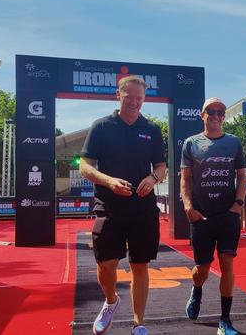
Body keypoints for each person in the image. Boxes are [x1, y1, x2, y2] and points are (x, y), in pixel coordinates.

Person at [80, 75, 167, 335]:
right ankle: (110, 301)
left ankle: (139, 323)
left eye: (139, 98)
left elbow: (161, 167)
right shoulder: (101, 127)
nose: (134, 103)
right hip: (109, 206)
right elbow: (85, 166)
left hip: (143, 208)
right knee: (106, 265)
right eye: (129, 97)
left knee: (140, 265)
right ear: (118, 95)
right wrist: (108, 181)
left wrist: (152, 178)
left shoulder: (151, 129)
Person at [180, 97, 246, 335]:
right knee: (203, 268)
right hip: (201, 216)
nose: (217, 116)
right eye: (212, 111)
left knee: (227, 262)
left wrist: (238, 205)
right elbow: (185, 180)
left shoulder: (234, 142)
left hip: (228, 214)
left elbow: (242, 177)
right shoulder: (190, 143)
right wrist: (188, 207)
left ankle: (225, 321)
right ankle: (196, 290)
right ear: (202, 114)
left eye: (221, 112)